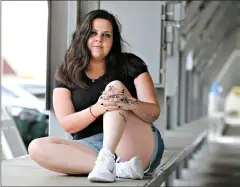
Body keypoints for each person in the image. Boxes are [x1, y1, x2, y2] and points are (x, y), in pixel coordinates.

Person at [27, 9, 165, 183]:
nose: (99, 39)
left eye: (106, 35)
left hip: (134, 142)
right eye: (93, 33)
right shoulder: (67, 72)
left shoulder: (131, 64)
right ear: (83, 35)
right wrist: (99, 108)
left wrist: (128, 102)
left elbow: (153, 112)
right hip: (90, 147)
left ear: (113, 41)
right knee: (37, 147)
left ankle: (109, 159)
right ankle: (119, 168)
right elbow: (68, 124)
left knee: (115, 88)